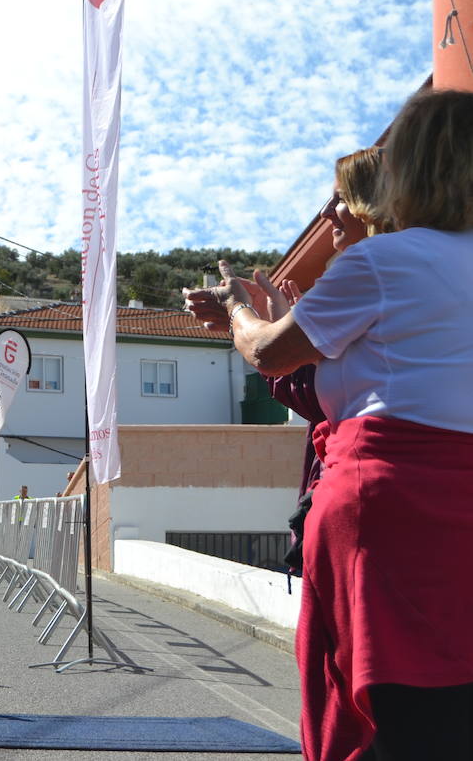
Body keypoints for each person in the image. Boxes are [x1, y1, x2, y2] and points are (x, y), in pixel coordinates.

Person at [189, 89, 473, 760]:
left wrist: (237, 309)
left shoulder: (383, 263)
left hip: (389, 510)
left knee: (380, 718)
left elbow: (267, 352)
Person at [186, 147, 389, 571]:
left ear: (378, 202)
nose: (327, 214)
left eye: (340, 198)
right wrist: (261, 319)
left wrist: (239, 310)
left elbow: (268, 353)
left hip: (374, 507)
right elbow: (313, 393)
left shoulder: (371, 269)